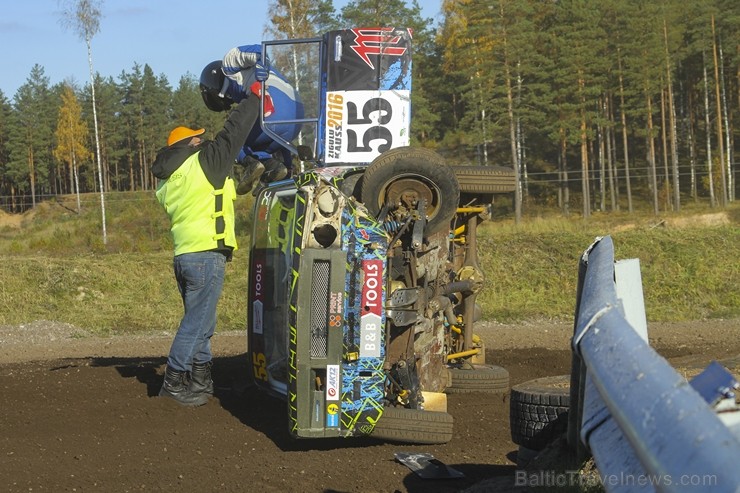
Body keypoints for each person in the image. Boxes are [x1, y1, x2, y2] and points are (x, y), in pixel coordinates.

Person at [152, 82, 271, 406]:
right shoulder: (204, 161)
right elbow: (233, 132)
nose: (202, 140)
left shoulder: (170, 177)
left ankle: (202, 382)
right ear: (189, 144)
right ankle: (173, 384)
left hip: (185, 255)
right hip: (206, 255)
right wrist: (254, 97)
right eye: (198, 137)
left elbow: (216, 193)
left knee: (202, 319)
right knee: (197, 322)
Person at [200, 44, 304, 194]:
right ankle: (284, 172)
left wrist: (262, 62)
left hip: (274, 112)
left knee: (231, 139)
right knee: (270, 143)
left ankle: (252, 165)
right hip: (297, 118)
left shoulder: (228, 64)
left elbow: (258, 50)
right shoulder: (253, 78)